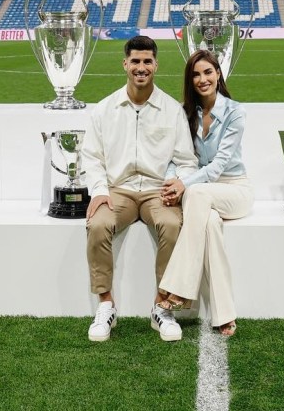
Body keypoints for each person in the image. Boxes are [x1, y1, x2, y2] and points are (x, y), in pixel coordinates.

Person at [81, 35, 198, 343]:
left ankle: (162, 307)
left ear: (156, 65)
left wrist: (179, 182)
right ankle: (106, 306)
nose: (141, 68)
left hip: (156, 192)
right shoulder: (104, 110)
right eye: (135, 61)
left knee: (173, 224)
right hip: (117, 190)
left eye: (147, 62)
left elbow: (187, 161)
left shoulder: (171, 110)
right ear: (125, 64)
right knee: (97, 224)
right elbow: (91, 158)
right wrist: (99, 191)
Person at [158, 49, 254, 337]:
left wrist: (184, 185)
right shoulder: (186, 113)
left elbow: (218, 166)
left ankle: (179, 288)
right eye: (196, 74)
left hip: (234, 188)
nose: (202, 79)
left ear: (218, 74)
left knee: (197, 195)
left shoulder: (236, 112)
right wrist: (170, 182)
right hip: (200, 188)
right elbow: (176, 157)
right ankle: (225, 313)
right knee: (209, 224)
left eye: (208, 72)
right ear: (190, 80)